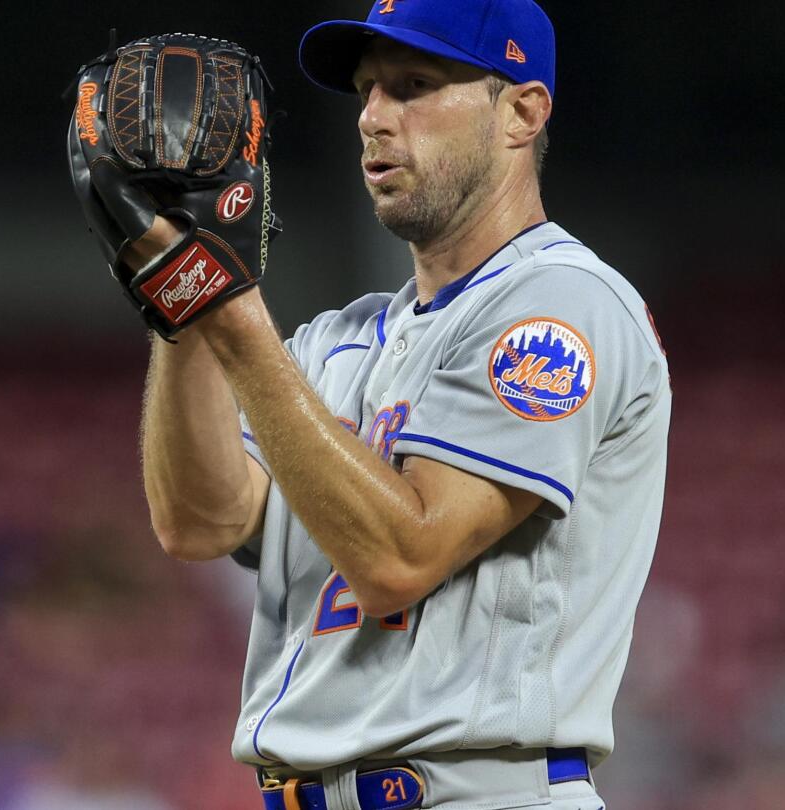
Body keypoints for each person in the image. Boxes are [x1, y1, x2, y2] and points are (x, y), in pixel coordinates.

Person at [127, 1, 670, 807]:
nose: (375, 119)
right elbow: (200, 523)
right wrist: (183, 294)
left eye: (414, 86)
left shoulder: (562, 305)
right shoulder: (331, 343)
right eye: (367, 92)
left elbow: (398, 561)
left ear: (522, 112)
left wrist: (235, 316)